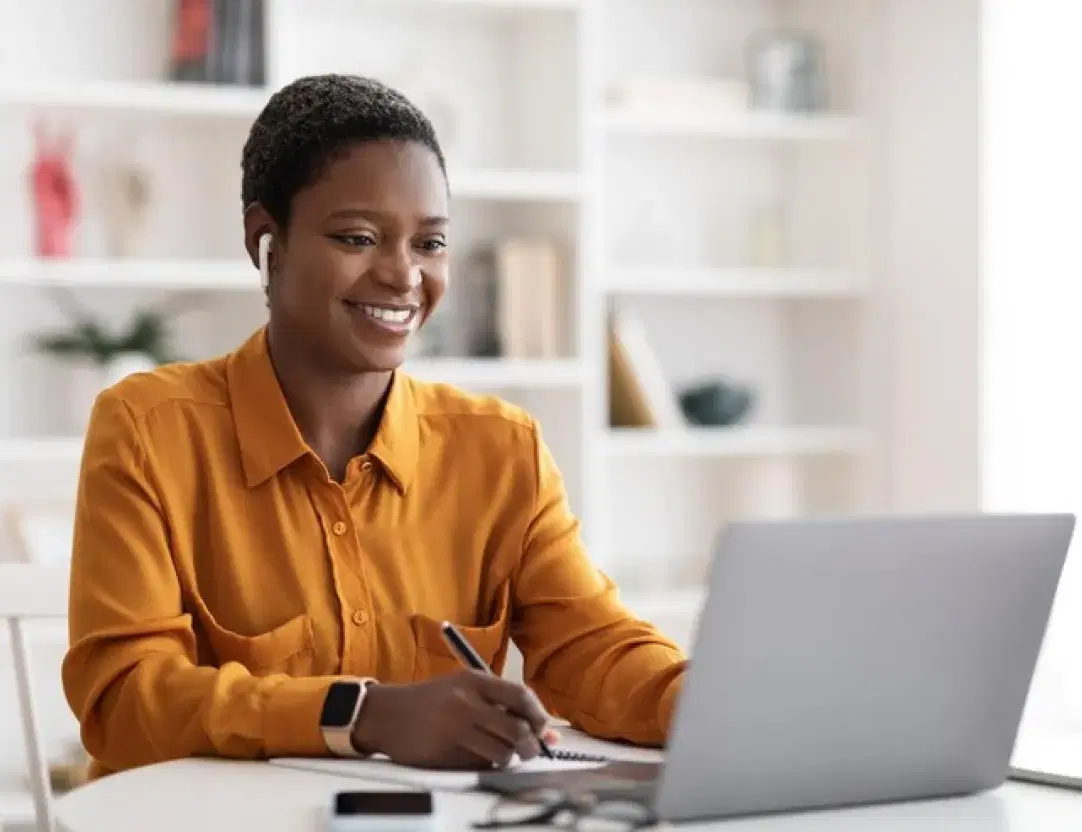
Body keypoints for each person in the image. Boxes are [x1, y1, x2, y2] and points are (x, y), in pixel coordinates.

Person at [61, 74, 687, 779]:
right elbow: (124, 699)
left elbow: (591, 648)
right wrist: (363, 715)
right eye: (358, 237)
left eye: (430, 243)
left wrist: (705, 702)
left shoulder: (502, 448)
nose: (403, 275)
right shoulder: (149, 429)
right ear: (267, 241)